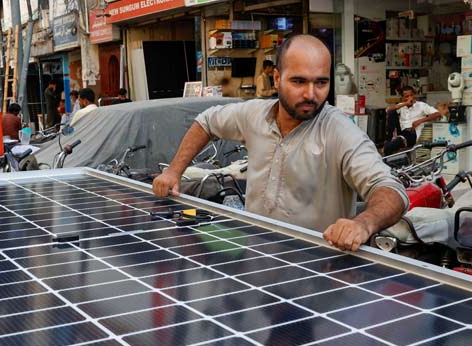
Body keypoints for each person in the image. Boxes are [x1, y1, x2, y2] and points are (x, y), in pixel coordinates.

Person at [153, 34, 408, 252]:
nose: (311, 94)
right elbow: (207, 122)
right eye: (299, 81)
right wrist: (174, 171)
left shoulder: (340, 132)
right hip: (256, 259)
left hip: (315, 271)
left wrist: (363, 224)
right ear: (276, 78)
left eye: (321, 82)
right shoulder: (253, 115)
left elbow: (391, 190)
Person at [383, 86, 442, 156]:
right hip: (401, 131)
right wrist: (405, 103)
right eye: (406, 96)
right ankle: (389, 139)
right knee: (392, 112)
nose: (410, 98)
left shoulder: (421, 105)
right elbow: (387, 110)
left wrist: (420, 121)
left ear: (414, 95)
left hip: (413, 133)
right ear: (402, 98)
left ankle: (390, 146)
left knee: (388, 147)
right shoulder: (402, 106)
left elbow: (437, 114)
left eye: (411, 95)